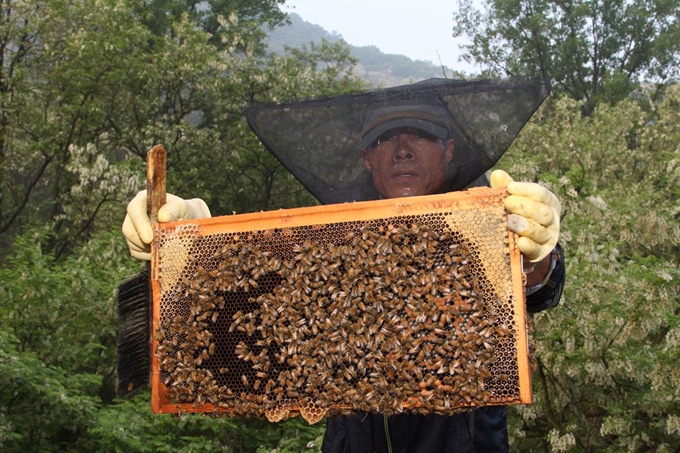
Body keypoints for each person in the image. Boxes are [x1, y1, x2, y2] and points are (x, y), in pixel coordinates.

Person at [122, 81, 565, 452]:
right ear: (367, 159)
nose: (403, 150)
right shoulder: (327, 245)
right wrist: (187, 248)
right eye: (385, 139)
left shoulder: (482, 232)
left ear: (449, 151)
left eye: (421, 135)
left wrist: (537, 253)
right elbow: (244, 320)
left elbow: (533, 286)